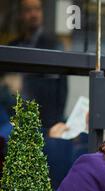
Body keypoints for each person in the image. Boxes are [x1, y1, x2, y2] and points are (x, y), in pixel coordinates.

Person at [8, 0, 67, 129]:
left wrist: (23, 82)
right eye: (28, 10)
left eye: (37, 9)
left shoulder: (53, 45)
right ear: (20, 15)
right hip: (14, 117)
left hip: (43, 122)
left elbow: (57, 89)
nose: (34, 14)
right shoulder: (13, 46)